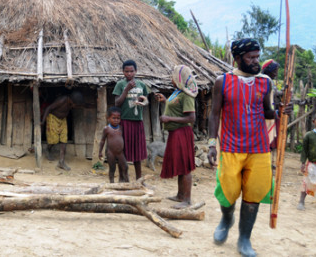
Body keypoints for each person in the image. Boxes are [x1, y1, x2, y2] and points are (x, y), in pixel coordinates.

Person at [207, 38, 292, 257]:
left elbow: (267, 112)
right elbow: (215, 114)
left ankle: (244, 238)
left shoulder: (265, 82)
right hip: (230, 146)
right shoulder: (222, 82)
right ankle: (226, 219)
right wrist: (210, 144)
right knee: (228, 192)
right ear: (237, 58)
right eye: (250, 57)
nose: (256, 61)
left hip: (259, 148)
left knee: (253, 193)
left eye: (257, 56)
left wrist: (281, 111)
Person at [155, 65, 198, 209]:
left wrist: (169, 119)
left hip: (182, 133)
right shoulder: (178, 92)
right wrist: (165, 100)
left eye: (173, 77)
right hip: (176, 133)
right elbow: (177, 108)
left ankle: (187, 199)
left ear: (180, 78)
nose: (171, 79)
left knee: (185, 166)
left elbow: (191, 118)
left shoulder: (187, 95)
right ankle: (180, 195)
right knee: (180, 163)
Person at [113, 60, 149, 180]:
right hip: (124, 121)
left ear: (136, 71)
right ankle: (123, 179)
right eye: (126, 71)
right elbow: (117, 103)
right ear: (123, 72)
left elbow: (146, 100)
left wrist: (143, 102)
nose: (129, 74)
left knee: (137, 153)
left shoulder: (141, 85)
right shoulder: (120, 84)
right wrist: (126, 90)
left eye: (131, 71)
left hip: (137, 121)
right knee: (122, 151)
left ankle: (139, 179)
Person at [41, 90, 84, 171]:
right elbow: (48, 108)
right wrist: (43, 121)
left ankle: (61, 162)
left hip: (63, 120)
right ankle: (47, 149)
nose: (75, 106)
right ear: (71, 100)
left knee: (64, 140)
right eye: (75, 104)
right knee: (53, 140)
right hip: (53, 118)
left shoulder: (70, 103)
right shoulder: (62, 100)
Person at [98, 107, 129, 183]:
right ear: (108, 118)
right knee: (112, 168)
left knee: (125, 167)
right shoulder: (107, 129)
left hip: (120, 153)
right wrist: (100, 151)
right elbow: (102, 140)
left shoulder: (121, 128)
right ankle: (111, 183)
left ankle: (127, 183)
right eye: (113, 118)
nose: (116, 120)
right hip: (110, 153)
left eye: (118, 118)